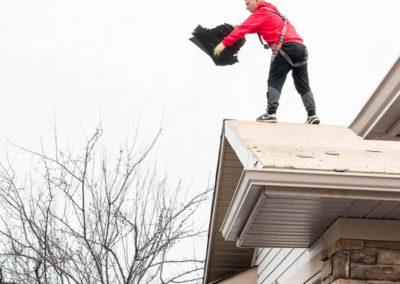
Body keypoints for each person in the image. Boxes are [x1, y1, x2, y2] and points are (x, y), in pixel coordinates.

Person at [214, 0, 320, 124]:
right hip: (301, 49)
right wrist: (237, 27)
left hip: (285, 48)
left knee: (275, 80)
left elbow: (243, 29)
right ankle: (312, 115)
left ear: (257, 1)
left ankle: (271, 113)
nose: (246, 8)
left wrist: (223, 44)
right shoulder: (273, 12)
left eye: (248, 3)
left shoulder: (261, 13)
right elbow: (253, 26)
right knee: (302, 84)